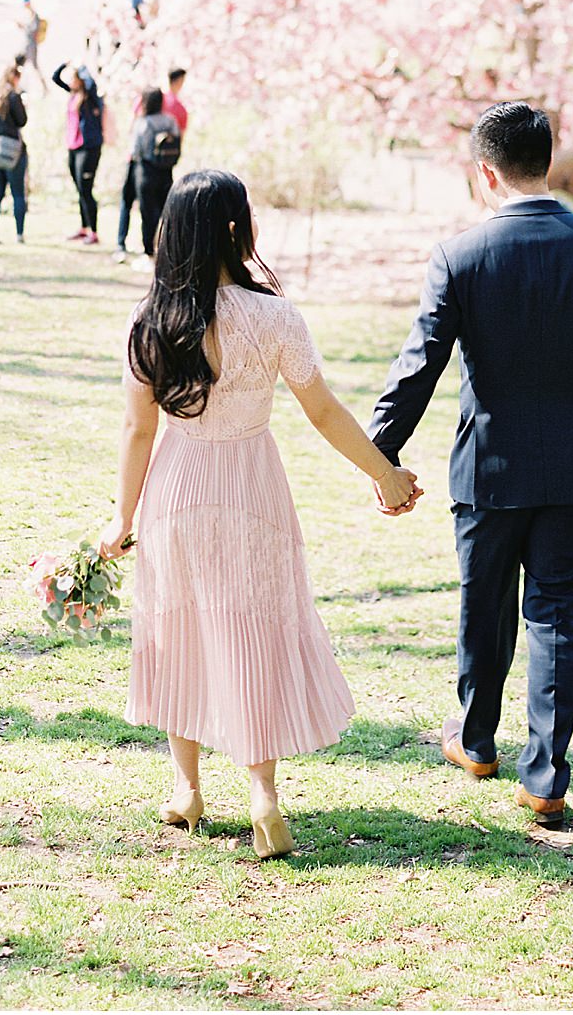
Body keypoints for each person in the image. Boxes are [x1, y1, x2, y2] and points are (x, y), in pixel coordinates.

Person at [100, 171, 422, 859]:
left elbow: (137, 432)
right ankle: (264, 798)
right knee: (254, 633)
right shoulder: (276, 316)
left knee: (176, 629)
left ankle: (186, 789)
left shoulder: (151, 319)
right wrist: (386, 475)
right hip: (253, 488)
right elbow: (325, 411)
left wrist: (121, 518)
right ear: (237, 229)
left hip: (177, 488)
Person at [367, 103, 573, 827]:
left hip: (487, 465)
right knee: (559, 614)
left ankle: (475, 741)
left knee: (483, 602)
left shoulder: (459, 255)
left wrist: (382, 453)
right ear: (548, 162)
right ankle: (546, 778)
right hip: (570, 466)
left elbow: (418, 366)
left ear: (485, 171)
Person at [117, 89, 183, 265]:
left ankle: (148, 250)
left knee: (147, 213)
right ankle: (168, 248)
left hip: (146, 171)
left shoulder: (143, 122)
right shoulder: (170, 121)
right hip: (166, 171)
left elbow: (136, 149)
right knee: (166, 212)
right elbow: (178, 141)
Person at [52, 62, 105, 243]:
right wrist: (65, 64)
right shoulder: (73, 94)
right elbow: (55, 78)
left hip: (89, 148)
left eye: (75, 79)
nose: (72, 82)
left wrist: (82, 66)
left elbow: (91, 83)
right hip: (74, 147)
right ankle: (84, 228)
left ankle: (94, 232)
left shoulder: (90, 96)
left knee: (86, 189)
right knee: (80, 189)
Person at [0, 67, 30, 244]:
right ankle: (19, 233)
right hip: (13, 149)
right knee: (18, 193)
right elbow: (22, 121)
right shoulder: (13, 96)